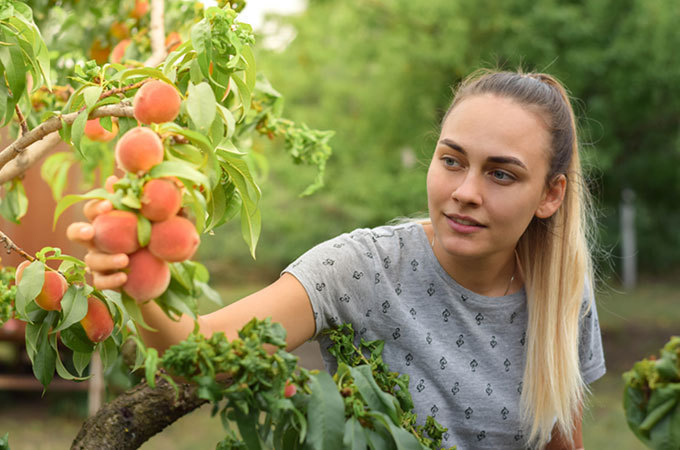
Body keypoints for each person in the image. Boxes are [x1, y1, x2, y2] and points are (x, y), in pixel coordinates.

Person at [68, 70, 606, 450]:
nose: (465, 191)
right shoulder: (364, 268)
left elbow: (563, 444)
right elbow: (209, 350)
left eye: (501, 173)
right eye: (452, 161)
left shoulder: (560, 289)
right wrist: (142, 289)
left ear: (550, 195)